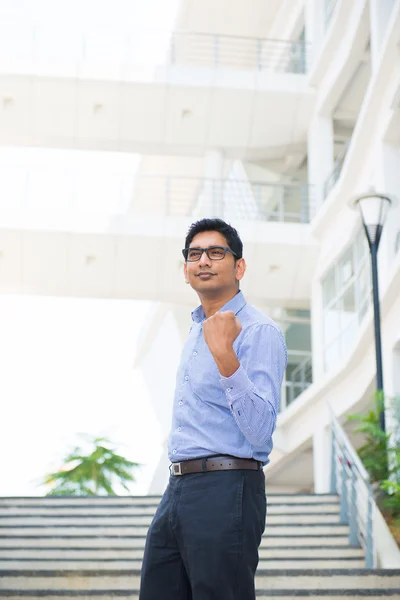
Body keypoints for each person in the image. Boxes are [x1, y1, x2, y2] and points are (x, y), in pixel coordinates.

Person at [139, 218, 287, 600]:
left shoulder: (258, 331)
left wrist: (226, 357)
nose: (203, 260)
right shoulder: (194, 328)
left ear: (239, 267)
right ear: (187, 271)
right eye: (194, 254)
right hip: (178, 487)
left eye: (215, 252)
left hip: (228, 485)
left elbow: (261, 430)